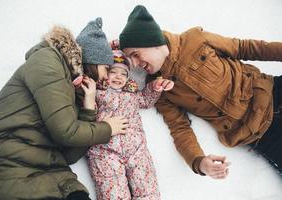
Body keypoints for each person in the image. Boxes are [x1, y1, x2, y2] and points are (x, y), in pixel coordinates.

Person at [118, 5, 282, 179]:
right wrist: (199, 162)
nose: (135, 64)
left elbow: (246, 48)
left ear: (151, 42)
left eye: (136, 54)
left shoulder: (196, 39)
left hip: (271, 91)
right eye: (131, 59)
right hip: (260, 133)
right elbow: (179, 128)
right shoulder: (158, 89)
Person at [0, 17, 127, 200]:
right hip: (8, 164)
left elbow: (69, 154)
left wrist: (88, 109)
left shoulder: (73, 88)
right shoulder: (47, 61)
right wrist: (107, 128)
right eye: (106, 68)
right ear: (93, 59)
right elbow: (66, 132)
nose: (106, 76)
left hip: (49, 171)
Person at [74, 49, 174, 199]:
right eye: (113, 72)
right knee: (113, 191)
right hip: (105, 151)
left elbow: (146, 100)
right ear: (105, 73)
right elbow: (87, 110)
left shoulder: (132, 95)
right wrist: (81, 87)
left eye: (124, 74)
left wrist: (155, 86)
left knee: (147, 189)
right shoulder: (98, 93)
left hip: (136, 149)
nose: (118, 77)